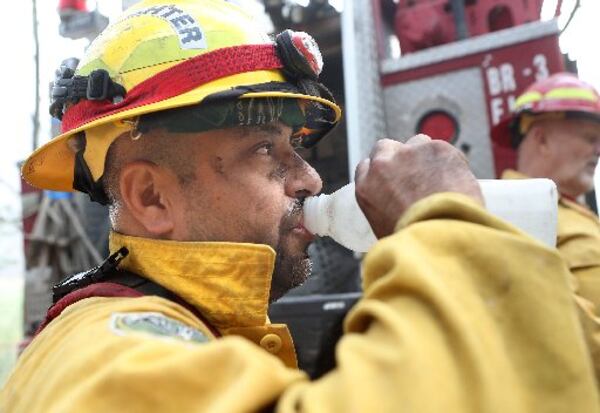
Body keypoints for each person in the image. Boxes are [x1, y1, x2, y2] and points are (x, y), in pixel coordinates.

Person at [2, 2, 599, 411]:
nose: (311, 179)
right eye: (266, 150)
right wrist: (446, 232)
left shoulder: (202, 335)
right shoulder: (107, 359)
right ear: (152, 197)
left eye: (298, 149)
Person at [493, 73, 600, 309]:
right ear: (542, 140)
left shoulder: (570, 211)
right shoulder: (509, 212)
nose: (598, 150)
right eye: (590, 138)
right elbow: (545, 313)